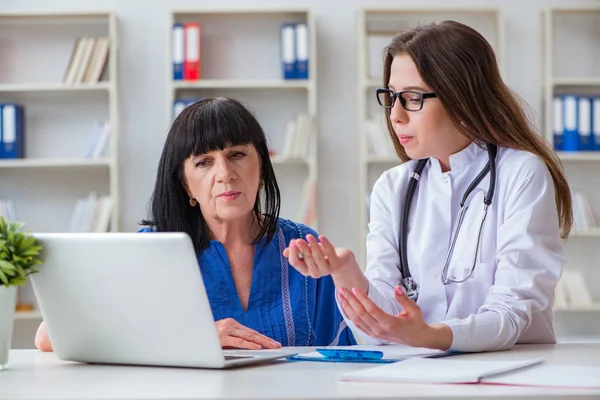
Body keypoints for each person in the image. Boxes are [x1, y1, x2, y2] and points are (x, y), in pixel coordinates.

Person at [284, 21, 572, 353]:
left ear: (461, 97)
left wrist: (428, 335)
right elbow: (383, 328)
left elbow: (511, 314)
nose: (395, 116)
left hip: (510, 373)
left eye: (412, 98)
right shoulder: (393, 188)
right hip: (420, 372)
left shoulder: (521, 174)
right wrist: (346, 273)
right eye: (391, 98)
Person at [35, 97, 355, 352]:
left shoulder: (303, 246)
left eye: (237, 154)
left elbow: (342, 357)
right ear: (186, 184)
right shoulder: (149, 250)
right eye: (203, 162)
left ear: (261, 164)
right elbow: (48, 337)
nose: (224, 173)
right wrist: (189, 339)